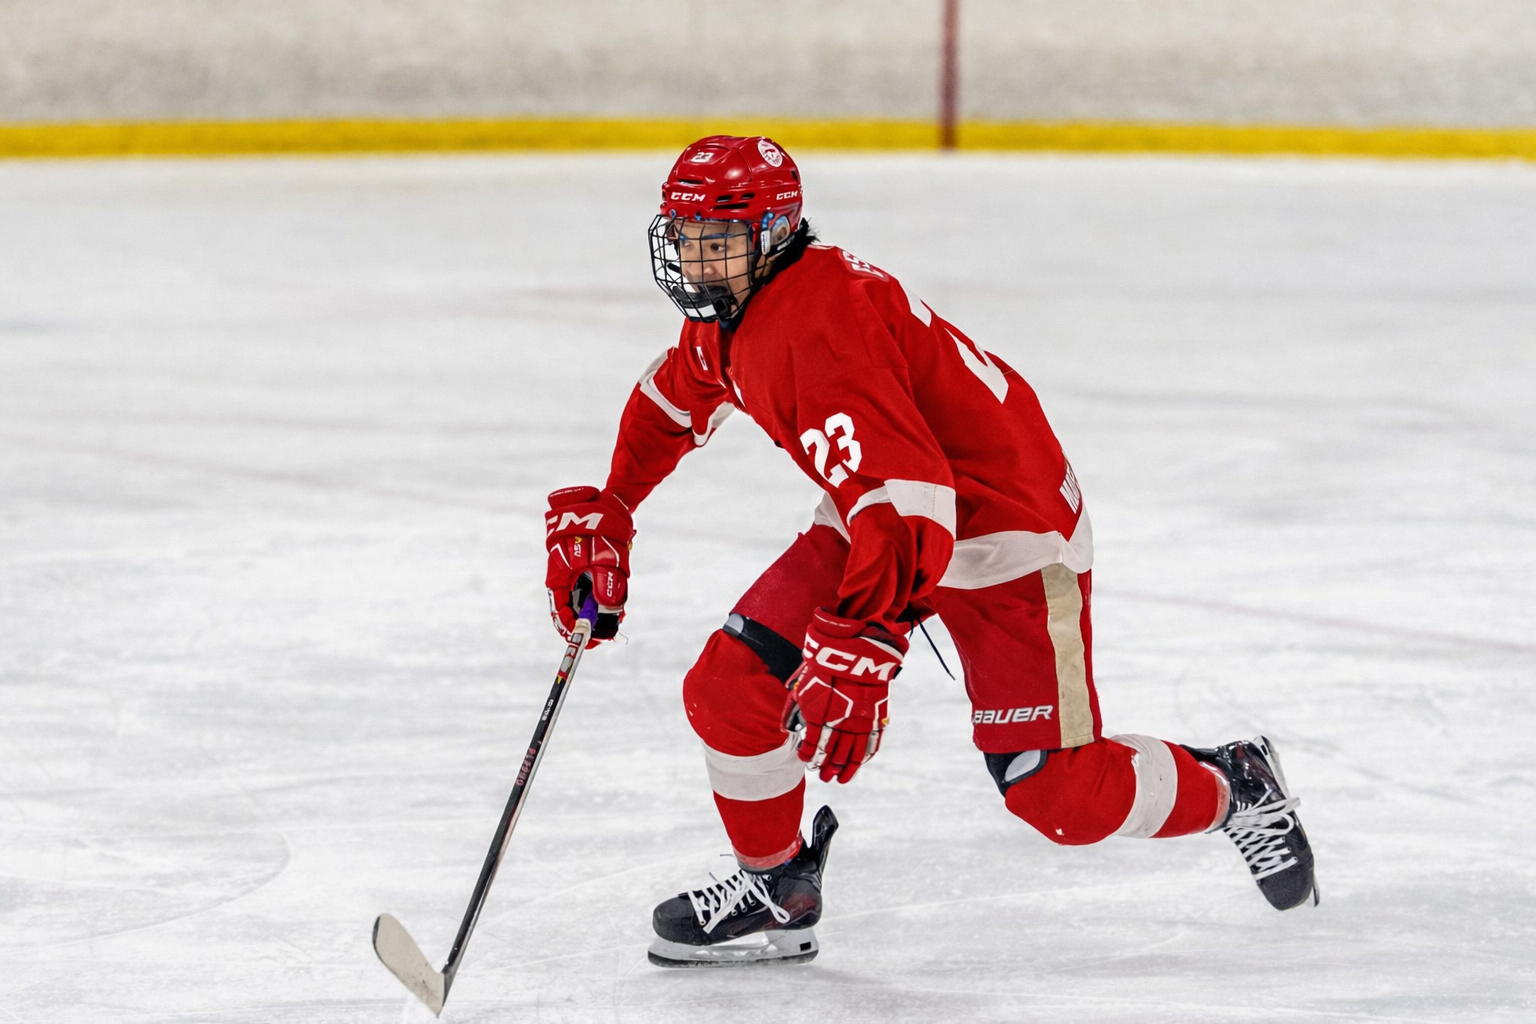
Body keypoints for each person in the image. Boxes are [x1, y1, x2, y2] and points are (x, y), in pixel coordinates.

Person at [542, 135, 1318, 968]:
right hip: (886, 513)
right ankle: (776, 887)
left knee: (1055, 793)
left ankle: (1236, 785)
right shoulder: (738, 311)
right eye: (687, 236)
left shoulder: (818, 325)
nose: (697, 260)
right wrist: (614, 504)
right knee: (730, 686)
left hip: (1007, 532)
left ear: (773, 233)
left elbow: (920, 500)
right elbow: (673, 401)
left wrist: (866, 635)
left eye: (718, 240)